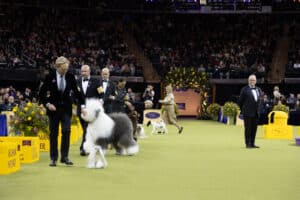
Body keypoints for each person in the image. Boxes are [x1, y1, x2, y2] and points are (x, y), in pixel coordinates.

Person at [39, 56, 84, 167]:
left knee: (66, 131)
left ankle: (65, 157)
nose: (65, 71)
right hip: (53, 110)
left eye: (66, 69)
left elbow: (77, 92)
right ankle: (53, 158)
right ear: (58, 67)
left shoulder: (70, 76)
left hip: (66, 109)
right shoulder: (49, 77)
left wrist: (83, 106)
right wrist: (48, 104)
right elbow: (41, 94)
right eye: (63, 69)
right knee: (53, 134)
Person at [77, 65, 102, 156]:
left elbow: (101, 93)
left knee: (87, 129)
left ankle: (83, 148)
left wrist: (100, 102)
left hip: (91, 110)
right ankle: (91, 145)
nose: (83, 73)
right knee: (86, 129)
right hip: (81, 110)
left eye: (85, 71)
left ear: (89, 71)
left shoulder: (96, 81)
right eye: (82, 71)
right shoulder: (78, 81)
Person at [238, 74, 262, 149]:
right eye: (251, 80)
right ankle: (247, 143)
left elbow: (259, 100)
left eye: (253, 80)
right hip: (247, 112)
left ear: (256, 81)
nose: (252, 81)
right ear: (248, 81)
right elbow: (240, 101)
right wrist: (242, 110)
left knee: (254, 129)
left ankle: (252, 143)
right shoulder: (244, 89)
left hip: (256, 113)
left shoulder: (258, 89)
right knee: (248, 128)